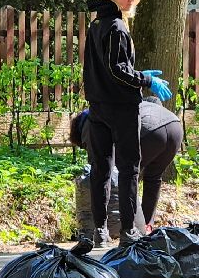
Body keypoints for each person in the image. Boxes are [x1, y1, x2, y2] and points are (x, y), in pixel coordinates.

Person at [77, 0, 172, 254]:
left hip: (98, 108)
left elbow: (104, 69)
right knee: (130, 168)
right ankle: (129, 231)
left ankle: (100, 230)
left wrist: (137, 73)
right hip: (122, 109)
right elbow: (117, 70)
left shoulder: (97, 25)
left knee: (101, 169)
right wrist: (146, 80)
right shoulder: (117, 27)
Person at [71, 98, 185, 231]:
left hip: (149, 131)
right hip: (175, 128)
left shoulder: (89, 123)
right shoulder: (107, 107)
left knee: (127, 176)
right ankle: (146, 225)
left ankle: (129, 229)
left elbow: (99, 168)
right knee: (153, 177)